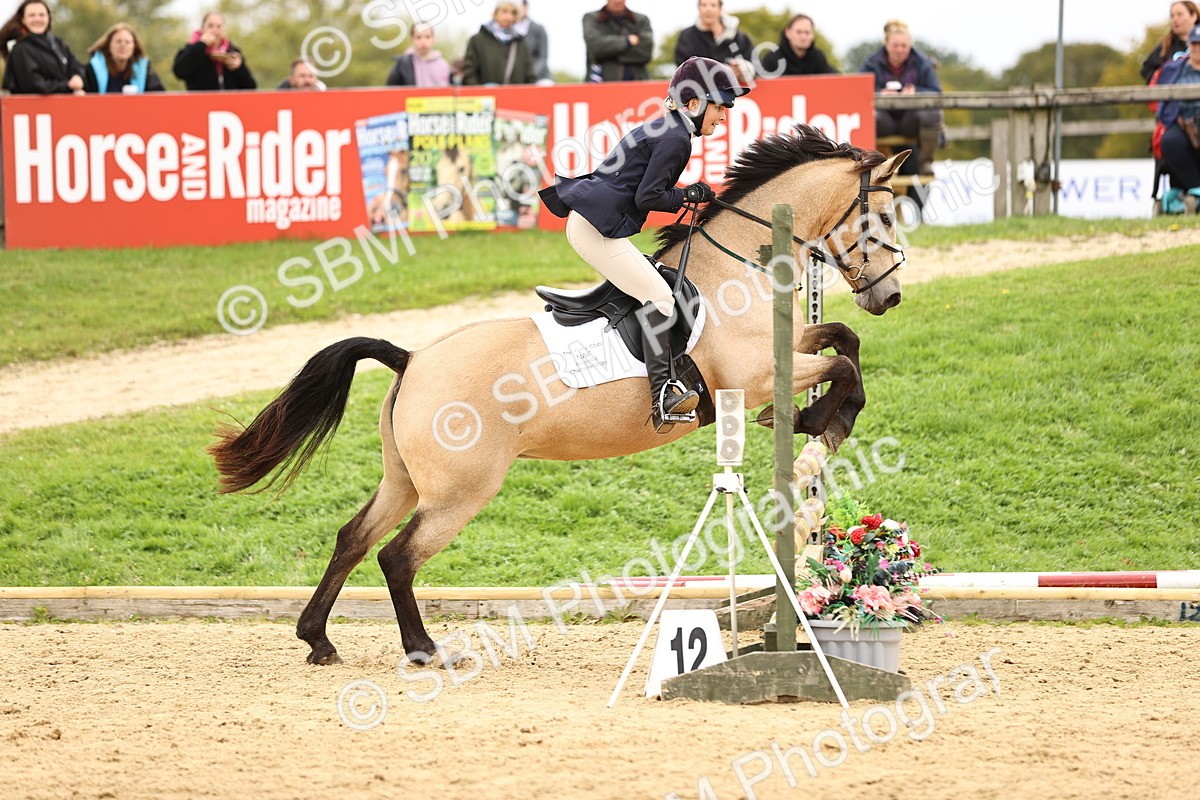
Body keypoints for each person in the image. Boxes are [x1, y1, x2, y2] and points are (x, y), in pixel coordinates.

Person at [538, 57, 749, 429]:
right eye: (720, 106)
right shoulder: (676, 138)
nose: (723, 116)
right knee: (661, 298)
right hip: (593, 229)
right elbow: (648, 198)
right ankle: (663, 393)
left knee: (652, 281)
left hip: (595, 224)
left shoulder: (667, 127)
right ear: (694, 103)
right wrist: (687, 196)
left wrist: (685, 193)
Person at [860, 19, 942, 177]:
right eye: (895, 45)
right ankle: (866, 162)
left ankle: (926, 162)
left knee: (933, 114)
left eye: (903, 46)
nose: (899, 50)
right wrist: (879, 93)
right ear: (886, 44)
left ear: (910, 45)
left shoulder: (923, 62)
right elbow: (858, 90)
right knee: (867, 117)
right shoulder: (871, 62)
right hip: (883, 120)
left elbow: (936, 92)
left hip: (911, 120)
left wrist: (915, 92)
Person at [1156, 24, 1200, 211]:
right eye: (1195, 43)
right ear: (1189, 45)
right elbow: (1162, 104)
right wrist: (1177, 120)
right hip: (1181, 123)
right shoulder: (1174, 69)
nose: (1198, 48)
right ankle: (1195, 189)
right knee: (1170, 141)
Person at [0, 0, 84, 95]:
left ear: (48, 17)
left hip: (62, 107)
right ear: (23, 19)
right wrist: (68, 86)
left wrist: (77, 77)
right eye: (32, 15)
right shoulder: (20, 50)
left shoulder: (57, 43)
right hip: (34, 109)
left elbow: (75, 65)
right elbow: (34, 85)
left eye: (41, 15)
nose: (37, 19)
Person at [173, 11, 256, 91]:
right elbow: (180, 72)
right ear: (202, 29)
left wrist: (239, 68)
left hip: (229, 103)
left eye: (219, 26)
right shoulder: (191, 49)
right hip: (201, 102)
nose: (215, 30)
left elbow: (251, 87)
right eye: (210, 26)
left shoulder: (232, 52)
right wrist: (201, 44)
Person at [674, 0, 753, 83]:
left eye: (713, 5)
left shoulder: (738, 37)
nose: (708, 9)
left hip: (735, 92)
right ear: (699, 8)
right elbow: (683, 69)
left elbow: (754, 64)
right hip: (700, 93)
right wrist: (722, 73)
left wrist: (743, 70)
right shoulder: (687, 36)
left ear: (720, 8)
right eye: (704, 5)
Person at [462, 1, 535, 85]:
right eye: (504, 11)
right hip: (486, 97)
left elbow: (530, 76)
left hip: (515, 97)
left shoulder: (520, 43)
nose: (509, 17)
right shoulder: (477, 41)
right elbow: (469, 73)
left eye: (513, 13)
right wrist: (482, 92)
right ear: (496, 13)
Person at [582, 0, 653, 82]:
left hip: (638, 84)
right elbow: (596, 47)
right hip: (603, 85)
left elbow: (645, 53)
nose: (617, 1)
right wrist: (627, 41)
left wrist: (608, 54)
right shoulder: (591, 18)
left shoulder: (641, 20)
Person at [83, 23, 164, 94]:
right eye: (118, 41)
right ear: (109, 46)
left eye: (127, 42)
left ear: (134, 47)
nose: (123, 45)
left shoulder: (145, 70)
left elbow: (159, 96)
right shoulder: (92, 69)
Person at [758, 13, 838, 77]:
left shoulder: (818, 58)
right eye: (799, 32)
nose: (803, 37)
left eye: (807, 33)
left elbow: (835, 79)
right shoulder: (772, 59)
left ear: (812, 35)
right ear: (788, 33)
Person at [1142, 2, 1200, 83]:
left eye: (1179, 14)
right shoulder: (1166, 45)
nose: (1175, 19)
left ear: (1194, 16)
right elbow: (1147, 70)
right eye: (1172, 16)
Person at [385, 22, 451, 87]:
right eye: (418, 37)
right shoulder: (403, 64)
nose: (423, 41)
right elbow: (391, 89)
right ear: (412, 39)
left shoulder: (443, 65)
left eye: (427, 37)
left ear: (433, 38)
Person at [515, 0, 552, 84]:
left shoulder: (538, 29)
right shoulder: (508, 31)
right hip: (515, 79)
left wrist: (530, 75)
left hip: (538, 77)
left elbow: (542, 58)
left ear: (526, 8)